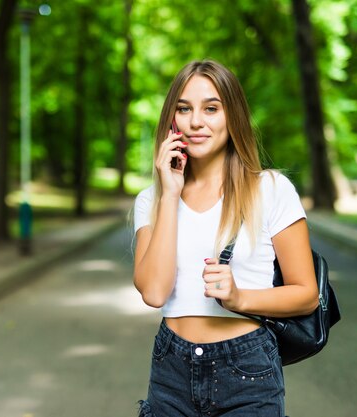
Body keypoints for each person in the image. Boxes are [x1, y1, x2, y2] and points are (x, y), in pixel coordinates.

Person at [133, 60, 319, 417]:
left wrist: (239, 297)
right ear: (171, 119)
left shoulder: (271, 190)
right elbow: (154, 293)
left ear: (232, 115)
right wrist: (170, 194)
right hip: (171, 369)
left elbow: (307, 294)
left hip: (247, 370)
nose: (196, 121)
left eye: (211, 108)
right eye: (184, 109)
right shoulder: (152, 199)